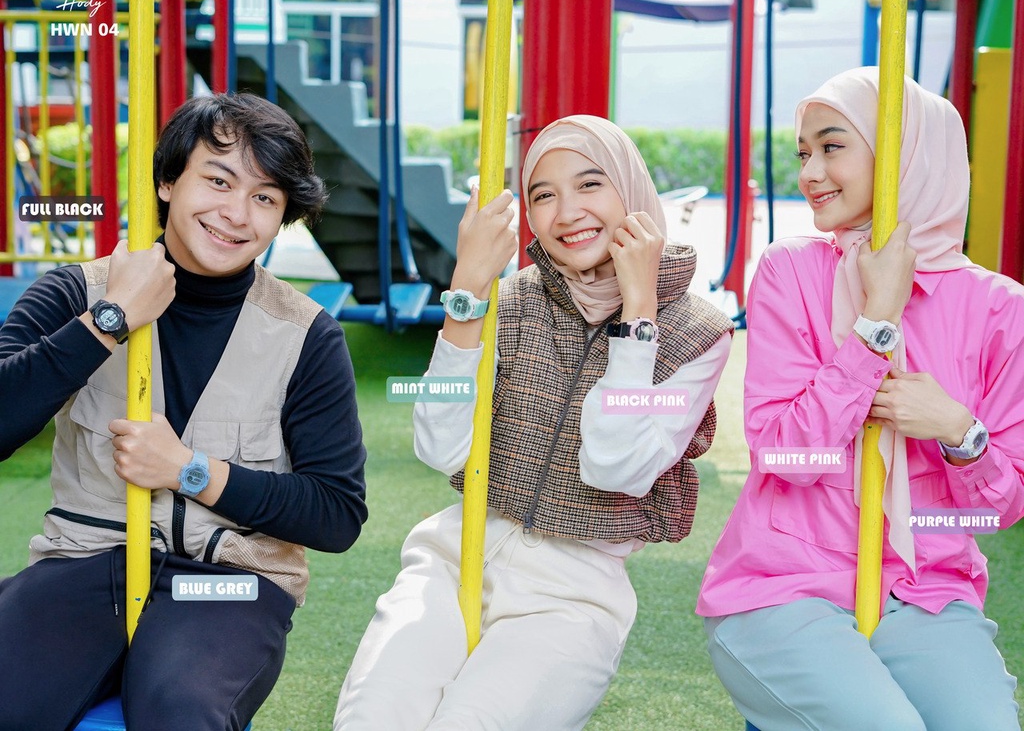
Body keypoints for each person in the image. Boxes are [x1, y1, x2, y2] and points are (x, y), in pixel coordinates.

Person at [335, 114, 733, 730]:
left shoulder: (699, 332)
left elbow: (617, 467)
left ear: (630, 189)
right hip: (455, 557)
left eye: (590, 184)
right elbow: (440, 446)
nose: (567, 212)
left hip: (572, 595)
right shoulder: (512, 299)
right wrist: (467, 291)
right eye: (543, 195)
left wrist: (638, 316)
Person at [0, 93, 368, 731]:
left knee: (179, 707)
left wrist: (190, 471)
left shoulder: (306, 334)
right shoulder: (78, 291)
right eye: (218, 181)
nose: (236, 214)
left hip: (225, 580)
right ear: (168, 182)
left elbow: (336, 515)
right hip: (86, 561)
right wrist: (109, 322)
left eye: (264, 197)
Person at [698, 67, 1024, 730]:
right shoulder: (790, 270)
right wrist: (875, 325)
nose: (810, 172)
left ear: (904, 152)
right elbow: (784, 457)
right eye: (803, 152)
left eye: (832, 146)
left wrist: (960, 431)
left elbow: (998, 510)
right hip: (784, 585)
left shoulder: (998, 308)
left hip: (926, 592)